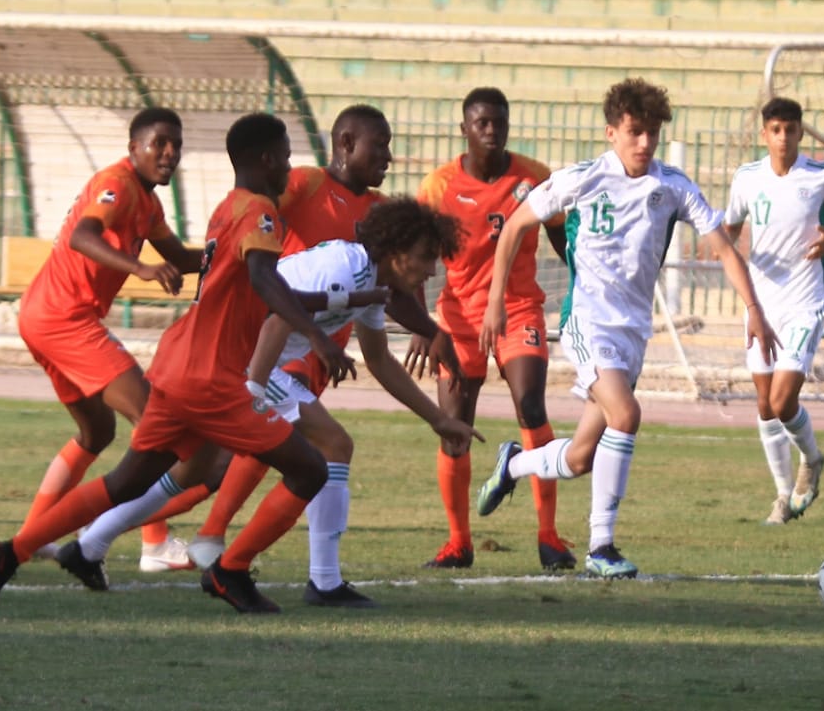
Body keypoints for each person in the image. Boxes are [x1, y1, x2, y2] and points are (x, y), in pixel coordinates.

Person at [0, 113, 351, 614]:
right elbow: (264, 278)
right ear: (266, 160)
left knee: (126, 478)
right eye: (284, 156)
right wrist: (315, 335)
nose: (289, 166)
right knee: (309, 468)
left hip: (178, 367)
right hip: (211, 379)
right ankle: (229, 570)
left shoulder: (228, 208)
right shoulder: (259, 212)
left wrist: (342, 301)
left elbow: (244, 276)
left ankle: (10, 552)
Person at [475, 78, 777, 578]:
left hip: (633, 331)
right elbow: (514, 227)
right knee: (626, 413)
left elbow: (723, 249)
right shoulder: (582, 178)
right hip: (587, 321)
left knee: (579, 458)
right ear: (611, 132)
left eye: (652, 133)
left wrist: (754, 308)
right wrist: (495, 303)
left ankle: (513, 464)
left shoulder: (673, 186)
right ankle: (601, 547)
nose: (645, 142)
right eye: (635, 132)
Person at [183, 104, 464, 569]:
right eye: (380, 145)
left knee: (281, 450)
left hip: (326, 344)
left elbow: (392, 287)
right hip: (281, 334)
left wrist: (427, 329)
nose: (388, 156)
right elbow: (249, 227)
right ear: (346, 143)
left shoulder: (380, 211)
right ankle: (217, 545)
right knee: (274, 448)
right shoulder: (305, 184)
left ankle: (215, 544)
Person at [242, 198, 483, 606]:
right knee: (320, 448)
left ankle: (318, 581)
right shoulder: (345, 269)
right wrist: (253, 389)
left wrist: (438, 420)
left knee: (326, 448)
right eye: (426, 257)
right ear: (396, 251)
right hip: (240, 361)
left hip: (255, 364)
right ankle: (246, 568)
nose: (431, 270)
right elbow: (276, 315)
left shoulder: (369, 282)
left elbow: (379, 359)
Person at [13, 107, 201, 572]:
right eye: (159, 144)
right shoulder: (115, 183)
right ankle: (154, 543)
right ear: (134, 147)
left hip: (44, 316)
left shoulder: (148, 203)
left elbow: (180, 257)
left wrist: (240, 252)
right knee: (156, 421)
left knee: (97, 433)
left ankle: (30, 537)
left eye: (176, 145)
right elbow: (82, 235)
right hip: (64, 318)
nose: (170, 153)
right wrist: (140, 268)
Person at [408, 87, 575, 571]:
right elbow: (412, 256)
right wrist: (423, 325)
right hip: (459, 319)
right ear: (464, 128)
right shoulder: (438, 186)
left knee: (532, 406)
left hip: (518, 310)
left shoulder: (533, 177)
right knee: (453, 430)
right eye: (481, 123)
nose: (491, 131)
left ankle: (548, 537)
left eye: (499, 122)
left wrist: (585, 283)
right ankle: (458, 543)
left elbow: (562, 237)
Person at [723, 97, 824, 525]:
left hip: (805, 303)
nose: (783, 137)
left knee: (783, 400)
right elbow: (730, 226)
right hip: (762, 306)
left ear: (801, 132)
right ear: (764, 134)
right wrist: (723, 246)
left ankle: (813, 458)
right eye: (775, 130)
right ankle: (783, 497)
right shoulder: (747, 178)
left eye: (790, 129)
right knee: (765, 405)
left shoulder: (821, 175)